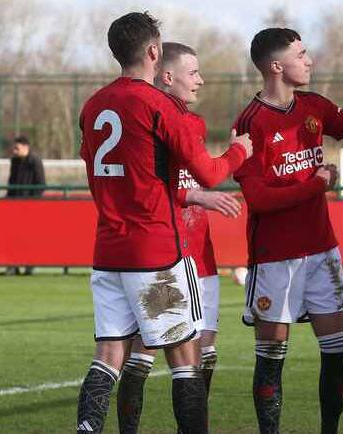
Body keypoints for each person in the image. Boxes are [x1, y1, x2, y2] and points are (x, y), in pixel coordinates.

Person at [77, 13, 250, 434]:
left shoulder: (94, 103)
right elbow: (209, 173)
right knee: (185, 361)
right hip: (154, 256)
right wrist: (238, 151)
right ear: (154, 52)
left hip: (108, 253)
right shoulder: (158, 105)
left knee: (107, 357)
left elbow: (102, 166)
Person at [115, 41, 245, 434]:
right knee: (144, 352)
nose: (201, 81)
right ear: (166, 76)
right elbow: (150, 187)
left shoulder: (195, 123)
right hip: (164, 254)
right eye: (194, 73)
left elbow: (187, 179)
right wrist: (229, 162)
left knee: (204, 349)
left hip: (200, 256)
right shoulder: (146, 121)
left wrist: (197, 194)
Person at [234, 28, 343, 434]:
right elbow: (259, 199)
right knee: (271, 356)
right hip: (274, 257)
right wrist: (315, 186)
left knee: (337, 352)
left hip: (322, 250)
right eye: (301, 54)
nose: (310, 60)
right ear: (277, 66)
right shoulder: (250, 123)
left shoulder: (317, 105)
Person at [2, 135, 45, 275]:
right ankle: (12, 266)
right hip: (15, 205)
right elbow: (11, 182)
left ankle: (29, 266)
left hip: (30, 206)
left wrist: (32, 203)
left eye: (17, 148)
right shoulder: (14, 161)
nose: (14, 151)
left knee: (28, 237)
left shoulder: (35, 161)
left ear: (26, 147)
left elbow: (41, 185)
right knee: (12, 237)